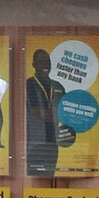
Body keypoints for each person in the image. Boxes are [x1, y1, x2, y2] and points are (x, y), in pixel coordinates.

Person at [25, 47, 63, 177]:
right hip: (35, 144)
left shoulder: (58, 86)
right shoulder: (28, 85)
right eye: (41, 61)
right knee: (34, 180)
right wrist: (55, 114)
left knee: (50, 177)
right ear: (34, 65)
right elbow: (37, 112)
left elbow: (66, 112)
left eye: (48, 61)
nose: (46, 64)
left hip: (53, 143)